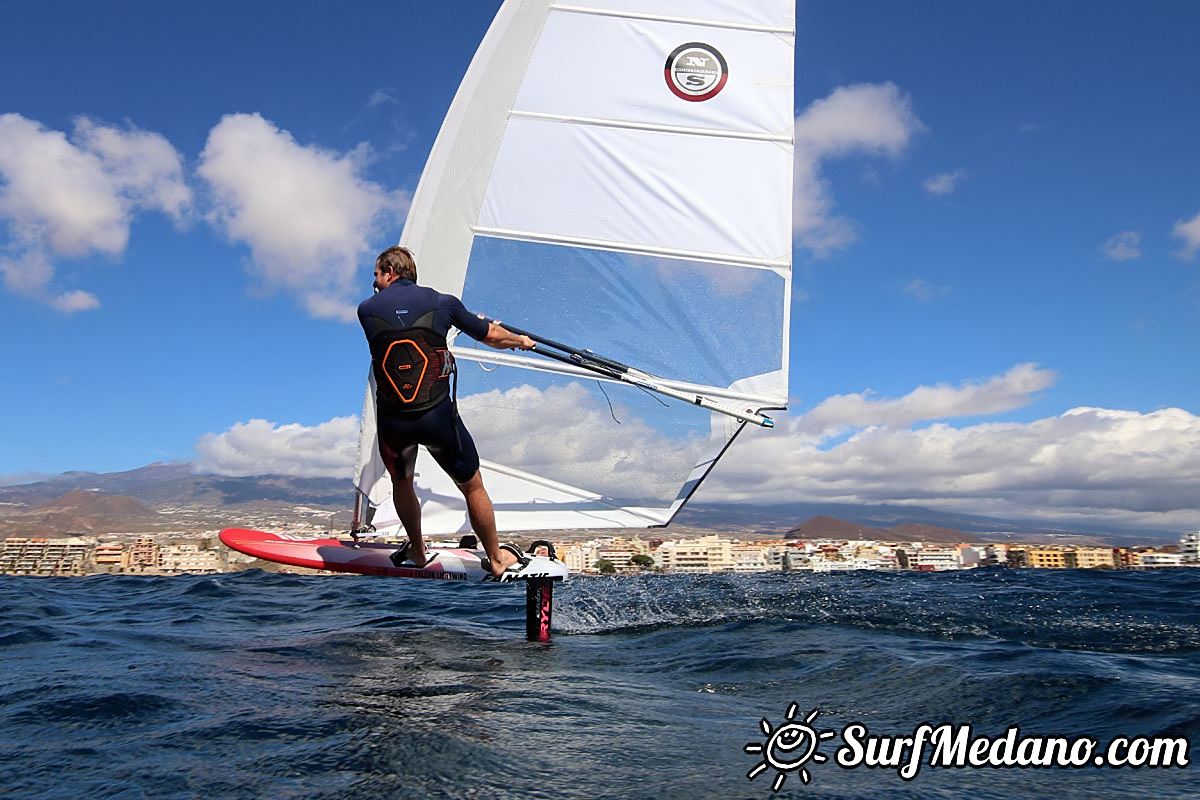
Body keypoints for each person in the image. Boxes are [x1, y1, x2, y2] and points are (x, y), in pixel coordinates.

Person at [357, 245, 535, 579]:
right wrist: (520, 340)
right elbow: (493, 336)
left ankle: (419, 550)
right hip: (437, 419)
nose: (375, 283)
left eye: (377, 275)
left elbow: (399, 321)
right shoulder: (444, 303)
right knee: (473, 487)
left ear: (391, 272)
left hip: (395, 423)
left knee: (401, 481)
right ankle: (496, 559)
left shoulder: (365, 310)